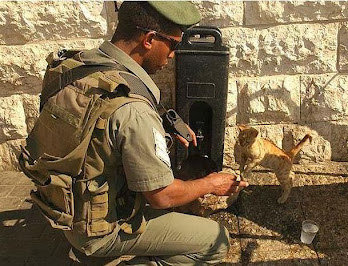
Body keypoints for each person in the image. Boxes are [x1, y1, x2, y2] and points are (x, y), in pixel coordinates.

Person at [21, 1, 249, 265]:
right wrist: (212, 184)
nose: (173, 55)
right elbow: (162, 196)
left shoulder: (72, 67)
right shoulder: (134, 112)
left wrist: (166, 120)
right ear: (150, 39)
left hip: (60, 207)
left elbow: (95, 123)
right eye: (174, 45)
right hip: (98, 229)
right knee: (215, 240)